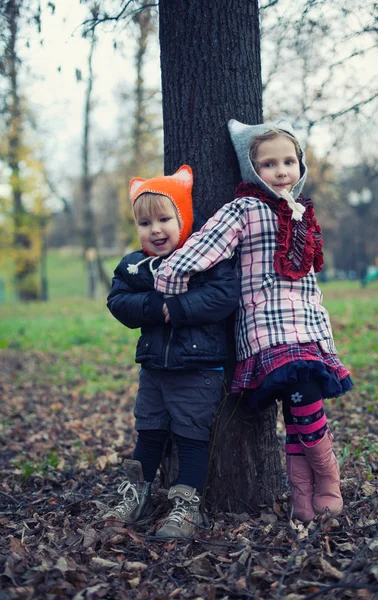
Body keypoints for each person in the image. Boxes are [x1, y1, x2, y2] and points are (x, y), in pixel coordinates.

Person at [154, 120, 354, 523]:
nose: (281, 171)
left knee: (296, 413)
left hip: (310, 329)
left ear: (300, 165)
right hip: (269, 329)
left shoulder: (301, 212)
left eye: (288, 161)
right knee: (301, 399)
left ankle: (302, 499)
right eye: (268, 164)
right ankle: (328, 476)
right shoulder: (243, 209)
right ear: (251, 169)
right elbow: (204, 248)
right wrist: (168, 278)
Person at [106, 165, 239, 537]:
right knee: (148, 431)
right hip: (153, 368)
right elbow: (118, 300)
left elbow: (223, 297)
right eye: (145, 223)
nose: (155, 230)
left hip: (198, 368)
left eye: (164, 219)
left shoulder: (206, 257)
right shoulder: (136, 265)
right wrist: (154, 306)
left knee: (190, 436)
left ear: (183, 217)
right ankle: (136, 494)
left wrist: (175, 309)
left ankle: (187, 507)